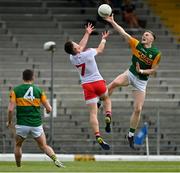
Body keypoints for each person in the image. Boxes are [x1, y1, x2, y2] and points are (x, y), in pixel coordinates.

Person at [104, 14, 161, 149]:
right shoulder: (136, 44)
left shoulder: (156, 53)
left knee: (138, 109)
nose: (144, 36)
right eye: (144, 34)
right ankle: (101, 103)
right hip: (130, 74)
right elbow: (123, 32)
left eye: (147, 35)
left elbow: (153, 71)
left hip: (141, 81)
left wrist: (141, 71)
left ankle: (130, 135)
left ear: (152, 39)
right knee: (114, 84)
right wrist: (112, 21)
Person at [64, 23, 112, 150]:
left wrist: (87, 33)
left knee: (93, 114)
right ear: (75, 49)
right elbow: (100, 49)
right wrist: (104, 39)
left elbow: (80, 46)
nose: (78, 45)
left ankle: (98, 136)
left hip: (87, 86)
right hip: (98, 82)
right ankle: (108, 115)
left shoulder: (72, 58)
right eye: (76, 45)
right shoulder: (89, 53)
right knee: (106, 98)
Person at [6, 69, 64, 168]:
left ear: (22, 77)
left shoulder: (15, 91)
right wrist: (47, 111)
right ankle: (55, 159)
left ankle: (18, 167)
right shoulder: (39, 91)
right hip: (36, 124)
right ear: (33, 77)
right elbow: (49, 108)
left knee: (18, 145)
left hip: (22, 124)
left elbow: (10, 109)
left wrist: (10, 121)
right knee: (44, 146)